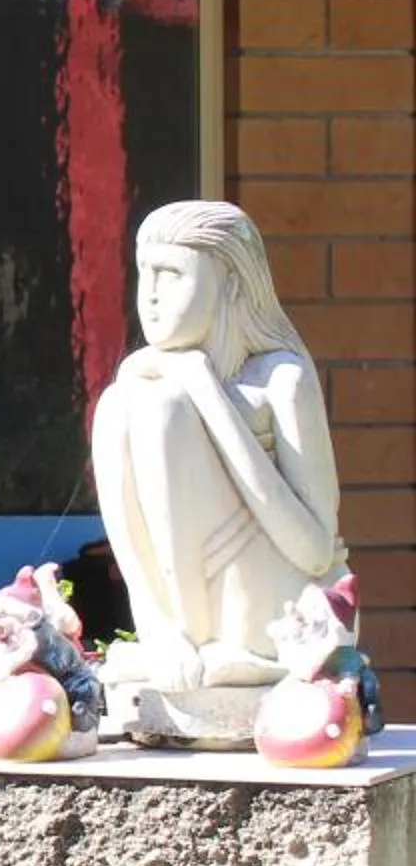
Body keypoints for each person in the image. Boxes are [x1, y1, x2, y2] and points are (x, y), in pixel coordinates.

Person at [90, 200, 347, 696]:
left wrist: (207, 393)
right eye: (146, 274)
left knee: (163, 406)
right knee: (124, 403)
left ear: (230, 283)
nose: (153, 296)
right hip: (180, 619)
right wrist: (163, 636)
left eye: (172, 275)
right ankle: (172, 635)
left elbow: (315, 550)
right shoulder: (142, 382)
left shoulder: (281, 378)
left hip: (279, 604)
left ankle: (236, 654)